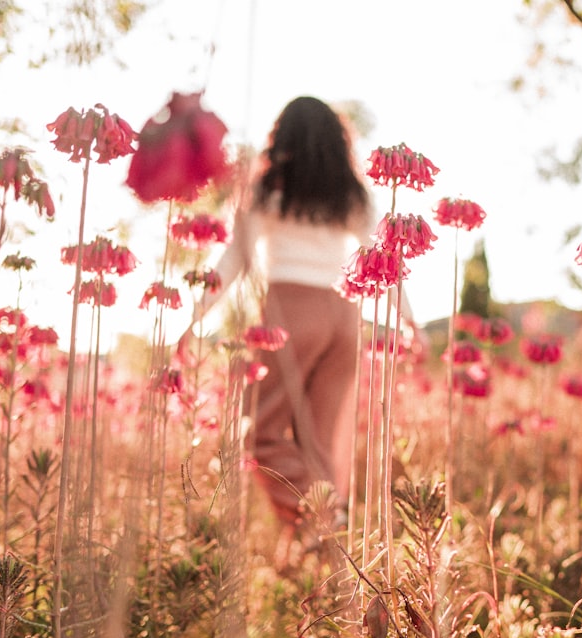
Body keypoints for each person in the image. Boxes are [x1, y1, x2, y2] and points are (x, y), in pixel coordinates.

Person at [177, 95, 417, 534]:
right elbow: (385, 255)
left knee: (261, 437)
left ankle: (324, 523)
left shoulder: (267, 189)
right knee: (322, 445)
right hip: (346, 316)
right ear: (337, 141)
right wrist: (409, 320)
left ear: (281, 136)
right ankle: (333, 550)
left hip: (290, 312)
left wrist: (193, 319)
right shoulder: (351, 192)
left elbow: (235, 261)